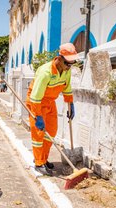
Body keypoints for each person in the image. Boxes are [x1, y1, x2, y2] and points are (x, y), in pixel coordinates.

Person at [26, 43, 79, 176]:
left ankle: (44, 159)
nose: (69, 67)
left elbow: (66, 87)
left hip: (50, 102)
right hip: (36, 102)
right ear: (59, 59)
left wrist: (70, 104)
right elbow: (35, 97)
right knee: (38, 134)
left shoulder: (67, 70)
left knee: (51, 131)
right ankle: (39, 163)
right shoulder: (46, 72)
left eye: (72, 64)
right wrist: (38, 116)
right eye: (67, 64)